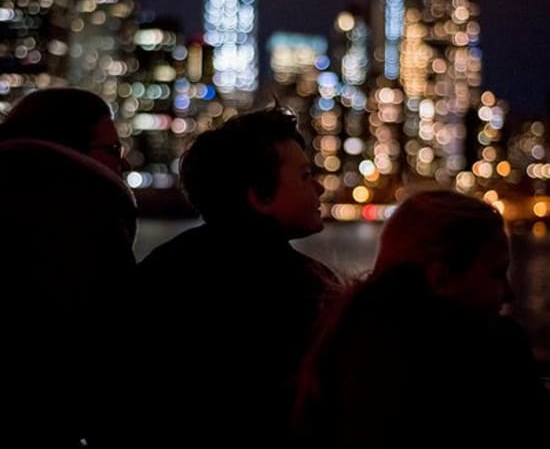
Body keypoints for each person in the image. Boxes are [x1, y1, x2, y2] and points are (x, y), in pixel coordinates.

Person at [137, 105, 341, 445]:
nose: (318, 189)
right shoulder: (304, 289)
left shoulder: (163, 269)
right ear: (260, 197)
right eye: (305, 176)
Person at [295, 190, 547, 448]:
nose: (509, 293)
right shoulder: (493, 355)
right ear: (442, 279)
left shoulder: (337, 344)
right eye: (496, 273)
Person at [0, 87, 137, 448]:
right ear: (71, 150)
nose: (121, 163)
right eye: (112, 150)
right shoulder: (87, 218)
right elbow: (107, 343)